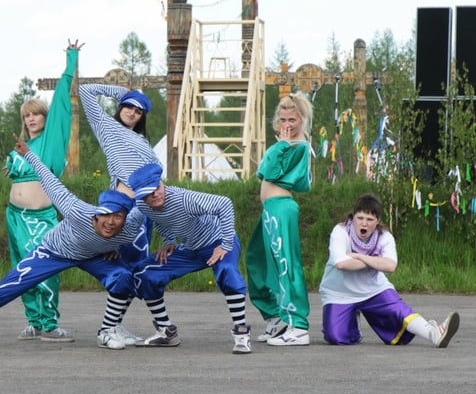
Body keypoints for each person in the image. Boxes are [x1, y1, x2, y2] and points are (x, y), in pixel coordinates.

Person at [0, 135, 145, 350]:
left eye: (118, 217)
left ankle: (107, 331)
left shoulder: (130, 226)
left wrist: (118, 247)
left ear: (125, 218)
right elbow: (49, 179)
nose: (111, 222)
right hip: (54, 252)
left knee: (123, 276)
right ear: (96, 214)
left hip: (92, 256)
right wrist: (28, 153)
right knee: (8, 288)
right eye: (105, 215)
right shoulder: (76, 211)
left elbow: (154, 204)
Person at [2, 39, 82, 342]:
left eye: (36, 114)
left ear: (46, 118)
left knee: (45, 267)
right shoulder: (21, 148)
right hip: (15, 216)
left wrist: (70, 61)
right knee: (22, 268)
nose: (31, 119)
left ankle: (50, 323)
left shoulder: (51, 144)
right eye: (27, 115)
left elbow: (61, 101)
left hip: (41, 217)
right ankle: (33, 321)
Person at [129, 163, 251, 354]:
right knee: (145, 273)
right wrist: (169, 240)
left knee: (227, 272)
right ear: (140, 196)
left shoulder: (184, 199)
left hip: (218, 243)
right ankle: (166, 332)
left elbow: (224, 204)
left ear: (162, 183)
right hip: (192, 248)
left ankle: (241, 334)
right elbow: (159, 219)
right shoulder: (144, 206)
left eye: (157, 187)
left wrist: (226, 244)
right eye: (148, 193)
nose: (156, 194)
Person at [319, 193, 460, 347]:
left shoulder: (384, 236)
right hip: (339, 293)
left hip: (374, 290)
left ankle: (434, 333)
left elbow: (390, 266)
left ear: (378, 221)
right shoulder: (340, 231)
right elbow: (342, 264)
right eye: (360, 218)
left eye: (370, 219)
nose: (364, 224)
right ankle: (353, 324)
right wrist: (376, 261)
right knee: (335, 337)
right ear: (353, 218)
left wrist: (359, 256)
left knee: (401, 313)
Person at [79, 83, 161, 343]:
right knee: (122, 267)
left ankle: (116, 325)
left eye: (139, 111)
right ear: (121, 107)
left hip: (144, 210)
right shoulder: (106, 127)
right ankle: (108, 328)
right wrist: (123, 92)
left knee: (137, 268)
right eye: (129, 106)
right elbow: (85, 91)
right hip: (122, 208)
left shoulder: (143, 142)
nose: (132, 112)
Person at [245, 92, 313, 346]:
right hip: (269, 209)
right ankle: (276, 318)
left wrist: (281, 146)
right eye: (283, 119)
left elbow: (271, 173)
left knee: (286, 263)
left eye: (292, 119)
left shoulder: (299, 147)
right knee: (256, 259)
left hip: (281, 208)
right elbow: (262, 172)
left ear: (302, 119)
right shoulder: (284, 145)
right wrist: (279, 147)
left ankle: (298, 325)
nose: (287, 124)